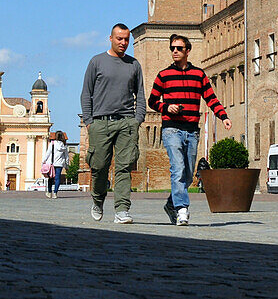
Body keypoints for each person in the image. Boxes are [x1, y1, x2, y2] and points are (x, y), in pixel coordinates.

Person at [147, 33, 231, 226]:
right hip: (171, 129)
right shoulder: (163, 75)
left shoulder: (199, 75)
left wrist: (223, 116)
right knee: (177, 169)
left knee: (187, 174)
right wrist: (166, 107)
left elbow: (211, 98)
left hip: (192, 130)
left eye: (179, 48)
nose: (175, 51)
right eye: (172, 48)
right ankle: (182, 209)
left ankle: (171, 203)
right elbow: (152, 101)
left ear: (188, 51)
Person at [80, 23, 145, 224]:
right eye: (119, 39)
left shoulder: (134, 65)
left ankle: (122, 209)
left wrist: (137, 121)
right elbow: (86, 94)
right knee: (99, 167)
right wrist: (90, 122)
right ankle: (98, 199)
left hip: (126, 122)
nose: (123, 43)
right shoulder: (96, 62)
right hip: (100, 123)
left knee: (124, 167)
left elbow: (140, 95)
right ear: (111, 38)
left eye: (126, 39)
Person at [42, 130, 70, 198]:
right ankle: (55, 193)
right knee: (57, 179)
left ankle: (49, 192)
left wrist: (44, 161)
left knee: (50, 178)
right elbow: (66, 156)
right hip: (60, 164)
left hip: (52, 163)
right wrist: (66, 165)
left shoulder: (52, 143)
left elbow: (48, 153)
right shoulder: (64, 146)